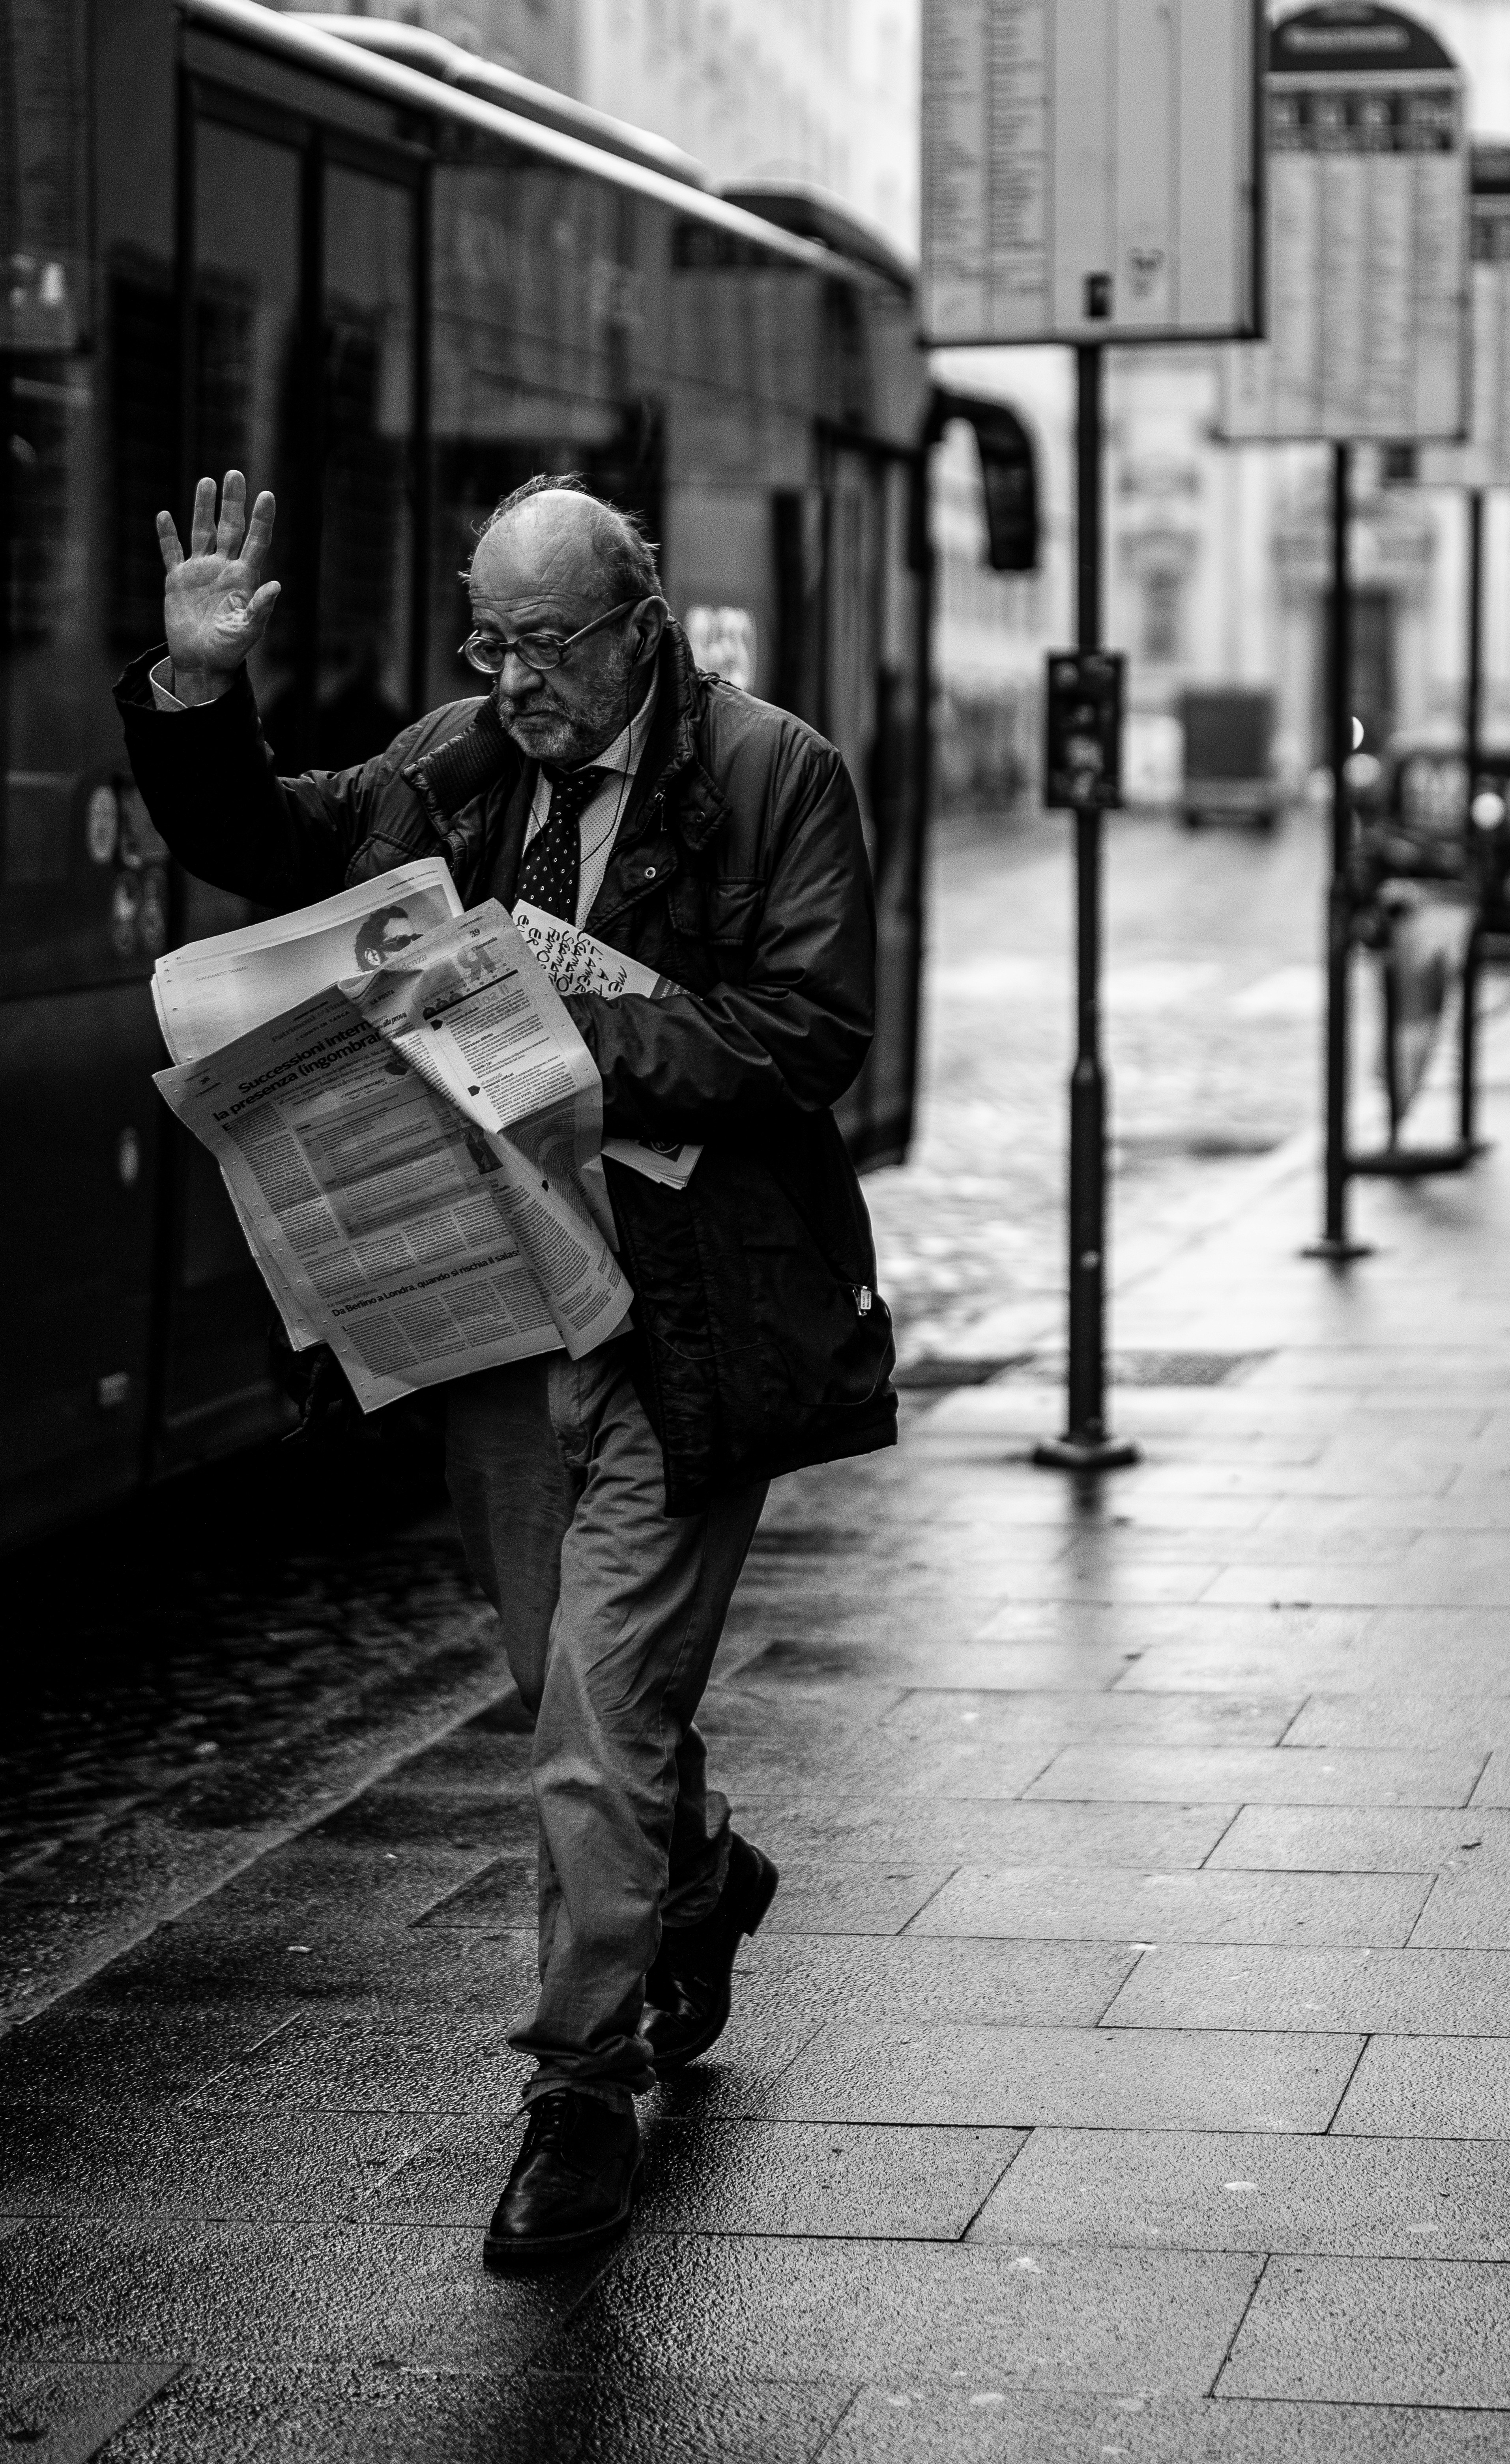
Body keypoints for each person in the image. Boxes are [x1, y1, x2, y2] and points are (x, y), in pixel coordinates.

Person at [117, 468, 895, 2264]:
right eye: (491, 640)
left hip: (686, 1324)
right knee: (569, 1689)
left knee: (595, 1721)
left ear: (641, 626)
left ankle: (577, 2087)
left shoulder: (773, 773)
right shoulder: (455, 762)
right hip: (493, 1311)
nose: (516, 677)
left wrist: (548, 1024)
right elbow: (272, 843)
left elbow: (803, 1035)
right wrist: (198, 692)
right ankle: (701, 1870)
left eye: (548, 642)